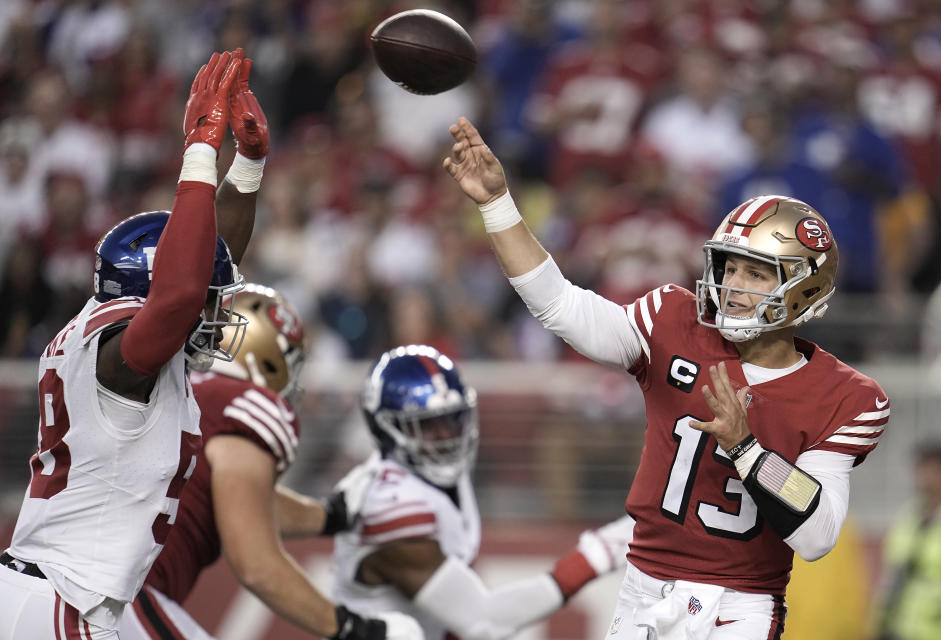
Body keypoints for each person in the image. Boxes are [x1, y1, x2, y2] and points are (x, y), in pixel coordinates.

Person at [442, 117, 890, 639]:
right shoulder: (672, 320)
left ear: (804, 291)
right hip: (643, 588)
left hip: (739, 606)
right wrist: (497, 205)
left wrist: (747, 449)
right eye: (728, 267)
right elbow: (560, 305)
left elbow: (817, 537)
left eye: (756, 273)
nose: (733, 285)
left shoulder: (848, 397)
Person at [0, 50, 248, 639]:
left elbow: (208, 268)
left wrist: (251, 165)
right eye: (203, 300)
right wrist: (200, 149)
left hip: (46, 591)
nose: (216, 312)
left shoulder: (106, 332)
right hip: (63, 601)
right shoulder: (120, 352)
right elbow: (183, 293)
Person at [117, 285, 422, 640]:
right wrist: (354, 629)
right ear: (266, 356)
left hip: (68, 581)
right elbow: (256, 564)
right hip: (120, 596)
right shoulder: (243, 406)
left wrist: (332, 516)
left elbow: (238, 499)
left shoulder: (186, 391)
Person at [332, 344, 635, 640]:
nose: (446, 436)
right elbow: (483, 622)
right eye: (426, 426)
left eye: (451, 419)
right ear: (386, 428)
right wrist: (598, 554)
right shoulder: (389, 505)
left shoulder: (439, 479)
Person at [874, 440, 941, 640]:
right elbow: (891, 576)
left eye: (933, 470)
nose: (926, 478)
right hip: (900, 628)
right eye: (922, 470)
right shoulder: (908, 518)